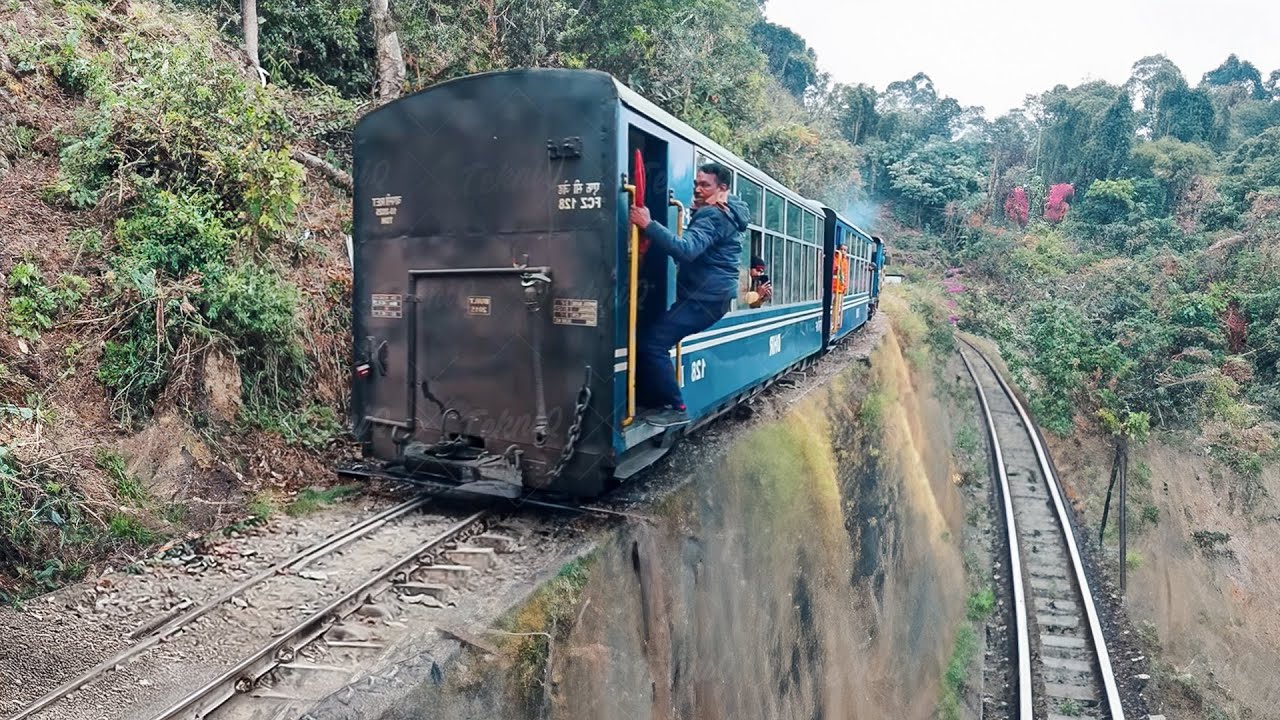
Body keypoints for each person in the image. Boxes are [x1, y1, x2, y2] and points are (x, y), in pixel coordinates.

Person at [628, 162, 750, 428]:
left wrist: (648, 224)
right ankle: (656, 398)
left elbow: (687, 249)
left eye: (705, 185)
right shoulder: (728, 210)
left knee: (652, 344)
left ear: (722, 189)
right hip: (710, 297)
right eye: (696, 184)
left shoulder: (714, 215)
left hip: (703, 299)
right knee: (655, 338)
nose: (697, 189)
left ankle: (676, 407)